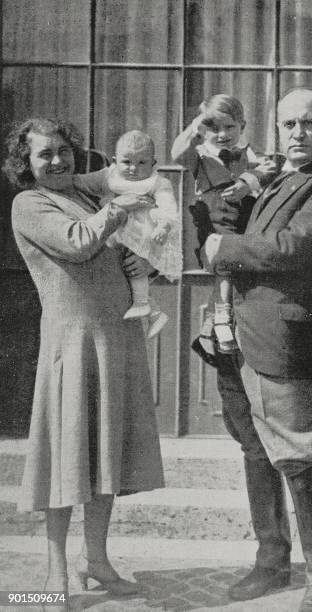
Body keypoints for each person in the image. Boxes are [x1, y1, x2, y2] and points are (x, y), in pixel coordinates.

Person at [202, 86, 312, 612]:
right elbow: (216, 213)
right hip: (233, 338)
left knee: (296, 459)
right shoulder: (275, 179)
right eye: (288, 124)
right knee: (256, 452)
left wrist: (223, 248)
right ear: (276, 128)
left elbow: (296, 248)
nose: (297, 133)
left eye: (308, 124)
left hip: (282, 341)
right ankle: (271, 561)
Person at [5, 118, 165, 609]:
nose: (57, 161)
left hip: (114, 338)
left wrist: (145, 260)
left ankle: (96, 561)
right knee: (63, 463)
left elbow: (122, 243)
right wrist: (118, 209)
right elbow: (77, 242)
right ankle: (55, 574)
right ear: (25, 164)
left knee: (104, 462)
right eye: (44, 154)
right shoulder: (29, 203)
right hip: (71, 346)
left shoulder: (88, 193)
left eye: (63, 151)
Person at [171, 94, 278, 353]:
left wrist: (247, 183)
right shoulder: (199, 156)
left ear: (242, 125)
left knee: (236, 270)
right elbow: (177, 154)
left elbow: (272, 166)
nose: (222, 134)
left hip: (242, 222)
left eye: (229, 127)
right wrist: (196, 126)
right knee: (225, 266)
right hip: (214, 223)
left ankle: (211, 329)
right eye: (213, 128)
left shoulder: (247, 152)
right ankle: (221, 317)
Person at [75, 129, 182, 339]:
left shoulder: (158, 183)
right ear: (115, 161)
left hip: (143, 230)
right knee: (124, 267)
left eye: (142, 163)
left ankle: (143, 304)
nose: (134, 168)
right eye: (127, 162)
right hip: (117, 231)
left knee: (135, 266)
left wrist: (163, 226)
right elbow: (82, 181)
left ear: (153, 163)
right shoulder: (109, 175)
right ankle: (154, 312)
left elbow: (169, 208)